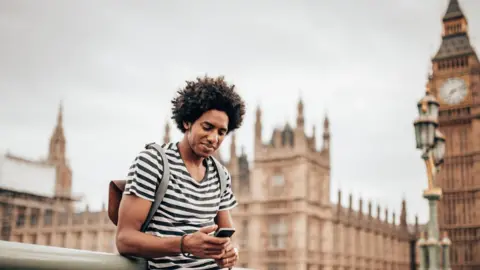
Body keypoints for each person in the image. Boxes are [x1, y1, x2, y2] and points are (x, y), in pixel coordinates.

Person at [116, 75, 246, 270]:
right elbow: (125, 239)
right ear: (187, 122)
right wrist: (184, 244)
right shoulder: (153, 162)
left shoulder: (221, 175)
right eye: (207, 127)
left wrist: (229, 253)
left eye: (221, 132)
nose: (213, 138)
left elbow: (226, 238)